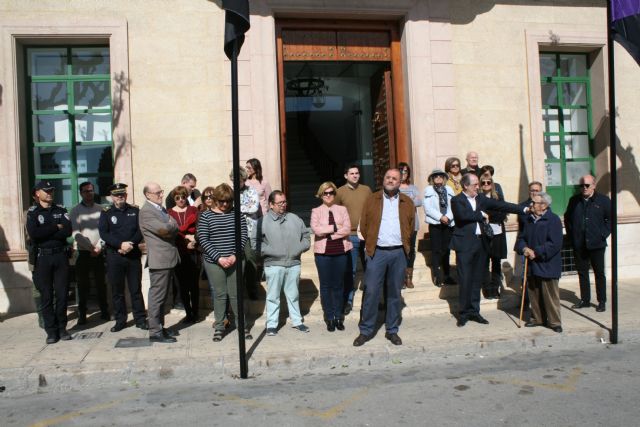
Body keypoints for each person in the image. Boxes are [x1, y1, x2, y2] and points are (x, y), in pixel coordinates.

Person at [451, 173, 528, 327]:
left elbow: (501, 205)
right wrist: (480, 214)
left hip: (481, 245)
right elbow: (462, 216)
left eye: (477, 184)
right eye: (475, 185)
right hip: (465, 246)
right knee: (465, 279)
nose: (477, 187)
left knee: (476, 280)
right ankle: (463, 313)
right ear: (466, 186)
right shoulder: (456, 200)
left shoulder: (481, 198)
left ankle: (474, 311)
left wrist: (523, 209)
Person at [353, 169, 415, 347]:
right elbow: (364, 225)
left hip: (398, 253)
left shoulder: (407, 202)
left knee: (394, 293)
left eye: (394, 178)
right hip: (377, 252)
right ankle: (365, 330)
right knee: (371, 290)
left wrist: (405, 248)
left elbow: (411, 228)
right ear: (384, 179)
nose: (390, 180)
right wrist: (371, 244)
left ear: (399, 181)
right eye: (388, 177)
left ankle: (392, 330)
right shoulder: (372, 199)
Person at [197, 183, 252, 342]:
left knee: (236, 294)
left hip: (235, 259)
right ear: (215, 200)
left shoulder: (238, 214)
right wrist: (219, 258)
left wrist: (235, 255)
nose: (225, 204)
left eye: (228, 201)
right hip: (214, 262)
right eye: (222, 201)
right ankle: (220, 326)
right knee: (220, 295)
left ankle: (242, 326)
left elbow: (243, 236)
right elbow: (203, 239)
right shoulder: (206, 216)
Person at [253, 190, 311, 336]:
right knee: (273, 296)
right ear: (271, 204)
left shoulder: (294, 218)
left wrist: (299, 248)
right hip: (273, 264)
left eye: (284, 202)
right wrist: (269, 251)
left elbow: (306, 236)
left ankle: (297, 321)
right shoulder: (262, 222)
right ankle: (272, 324)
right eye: (280, 203)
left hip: (293, 263)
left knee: (293, 295)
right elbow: (255, 242)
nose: (283, 205)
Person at [26, 180, 73, 344]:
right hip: (42, 258)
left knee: (62, 295)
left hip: (60, 256)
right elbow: (34, 234)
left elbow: (67, 231)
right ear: (37, 193)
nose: (49, 193)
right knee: (46, 296)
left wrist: (48, 230)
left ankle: (62, 328)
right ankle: (51, 332)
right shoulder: (32, 213)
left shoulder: (61, 210)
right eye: (45, 191)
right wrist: (55, 227)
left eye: (51, 190)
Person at [99, 183, 148, 333]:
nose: (120, 197)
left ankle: (140, 319)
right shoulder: (106, 212)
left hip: (132, 255)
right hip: (115, 256)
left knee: (135, 289)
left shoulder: (134, 210)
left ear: (126, 195)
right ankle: (120, 320)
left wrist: (130, 244)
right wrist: (120, 244)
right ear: (112, 197)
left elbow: (141, 230)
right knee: (117, 291)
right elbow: (104, 233)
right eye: (117, 194)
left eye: (122, 194)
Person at [515, 192, 563, 333]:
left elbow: (555, 244)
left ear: (544, 205)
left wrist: (536, 252)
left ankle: (554, 322)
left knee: (550, 295)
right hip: (532, 263)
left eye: (534, 203)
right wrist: (523, 248)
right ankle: (538, 318)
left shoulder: (553, 220)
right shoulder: (529, 219)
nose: (531, 205)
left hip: (547, 263)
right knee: (534, 293)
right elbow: (521, 238)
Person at [139, 182, 180, 343]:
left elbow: (173, 224)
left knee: (162, 297)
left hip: (167, 258)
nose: (161, 195)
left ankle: (160, 327)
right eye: (157, 193)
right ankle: (155, 331)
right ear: (148, 195)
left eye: (161, 192)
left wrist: (171, 226)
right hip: (159, 259)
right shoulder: (147, 212)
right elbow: (163, 230)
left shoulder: (159, 209)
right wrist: (171, 226)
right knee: (157, 296)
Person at [564, 174, 611, 312]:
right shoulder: (574, 201)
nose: (584, 188)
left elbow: (610, 220)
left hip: (597, 244)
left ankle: (601, 301)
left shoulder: (603, 200)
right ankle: (585, 299)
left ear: (594, 186)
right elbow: (567, 219)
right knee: (582, 272)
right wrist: (572, 236)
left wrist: (602, 234)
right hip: (579, 243)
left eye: (587, 185)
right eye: (581, 186)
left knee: (599, 273)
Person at [311, 182, 352, 332]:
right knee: (326, 285)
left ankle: (338, 316)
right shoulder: (316, 211)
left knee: (338, 285)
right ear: (321, 195)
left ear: (335, 194)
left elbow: (347, 229)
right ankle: (329, 317)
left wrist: (330, 234)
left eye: (331, 193)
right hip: (323, 254)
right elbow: (316, 230)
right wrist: (335, 228)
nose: (328, 195)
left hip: (341, 252)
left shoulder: (342, 209)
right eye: (325, 193)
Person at [335, 164, 372, 315]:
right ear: (346, 176)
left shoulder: (366, 190)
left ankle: (372, 300)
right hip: (349, 236)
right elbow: (335, 214)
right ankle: (347, 301)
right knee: (349, 271)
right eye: (352, 173)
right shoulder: (339, 192)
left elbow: (372, 209)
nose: (355, 176)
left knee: (371, 269)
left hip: (367, 235)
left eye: (357, 173)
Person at [70, 181, 109, 324]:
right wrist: (90, 248)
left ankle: (105, 311)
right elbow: (76, 233)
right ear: (81, 193)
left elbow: (104, 231)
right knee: (82, 285)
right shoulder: (75, 210)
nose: (89, 193)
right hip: (84, 253)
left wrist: (98, 247)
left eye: (91, 190)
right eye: (86, 191)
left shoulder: (101, 209)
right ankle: (82, 315)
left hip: (99, 252)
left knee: (101, 284)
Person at [168, 185, 199, 324]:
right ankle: (188, 313)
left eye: (183, 197)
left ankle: (196, 312)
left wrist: (194, 239)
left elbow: (199, 227)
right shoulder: (169, 213)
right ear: (174, 199)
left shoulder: (193, 210)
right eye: (177, 198)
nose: (181, 200)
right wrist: (185, 239)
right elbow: (172, 233)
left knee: (194, 284)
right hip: (179, 251)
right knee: (182, 285)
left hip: (193, 251)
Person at [233, 166, 261, 300]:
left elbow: (254, 207)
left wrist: (238, 208)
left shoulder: (251, 191)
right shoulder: (230, 193)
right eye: (234, 180)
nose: (236, 183)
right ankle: (237, 290)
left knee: (250, 260)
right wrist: (243, 208)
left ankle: (252, 289)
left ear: (244, 179)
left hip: (249, 231)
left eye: (239, 180)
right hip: (233, 232)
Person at [424, 169, 455, 287]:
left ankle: (447, 275)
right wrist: (440, 217)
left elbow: (453, 205)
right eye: (435, 176)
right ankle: (437, 276)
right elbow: (428, 208)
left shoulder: (449, 190)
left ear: (444, 178)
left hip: (448, 223)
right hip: (435, 224)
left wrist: (447, 216)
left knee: (446, 250)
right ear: (432, 179)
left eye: (440, 176)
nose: (438, 178)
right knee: (436, 250)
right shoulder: (428, 190)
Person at [479, 172, 508, 299]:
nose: (486, 184)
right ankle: (486, 289)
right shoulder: (477, 198)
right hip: (483, 234)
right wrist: (494, 213)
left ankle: (495, 288)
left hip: (497, 233)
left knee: (496, 261)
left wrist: (488, 215)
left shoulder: (498, 197)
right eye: (483, 182)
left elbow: (503, 214)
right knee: (484, 262)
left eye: (488, 182)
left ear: (492, 184)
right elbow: (477, 214)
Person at [397, 162, 422, 288]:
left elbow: (419, 201)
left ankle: (408, 278)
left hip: (413, 224)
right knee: (401, 250)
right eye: (401, 171)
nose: (403, 174)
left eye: (405, 172)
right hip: (399, 225)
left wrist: (404, 201)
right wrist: (410, 200)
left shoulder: (413, 187)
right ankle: (401, 278)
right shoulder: (394, 188)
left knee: (411, 250)